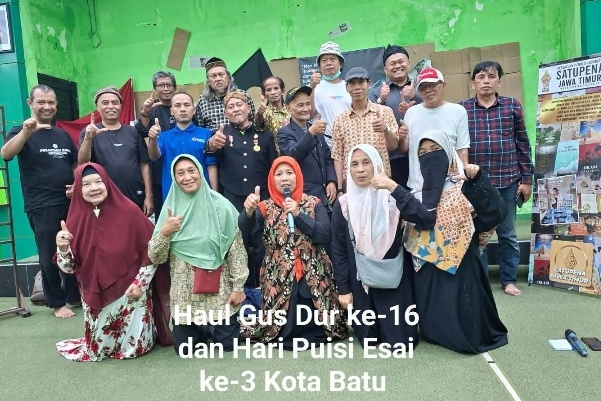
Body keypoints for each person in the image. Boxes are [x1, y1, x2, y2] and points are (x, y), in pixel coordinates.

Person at [403, 130, 508, 354]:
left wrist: (478, 181)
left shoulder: (464, 186)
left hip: (461, 266)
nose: (429, 156)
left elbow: (495, 213)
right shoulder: (417, 194)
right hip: (427, 270)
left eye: (436, 150)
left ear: (449, 153)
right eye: (423, 153)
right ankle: (434, 331)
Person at [54, 162, 170, 361]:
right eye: (86, 184)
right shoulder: (74, 220)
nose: (94, 188)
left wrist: (139, 284)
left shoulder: (130, 211)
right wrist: (62, 248)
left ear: (107, 183)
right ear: (78, 189)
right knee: (98, 349)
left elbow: (151, 254)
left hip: (131, 292)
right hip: (94, 293)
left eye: (99, 182)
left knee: (134, 350)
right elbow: (70, 268)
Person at [239, 156, 347, 348]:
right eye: (279, 174)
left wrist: (298, 214)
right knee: (280, 328)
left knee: (321, 324)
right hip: (278, 275)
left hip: (315, 274)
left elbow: (324, 234)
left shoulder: (314, 202)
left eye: (289, 172)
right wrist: (247, 212)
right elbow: (244, 231)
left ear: (298, 176)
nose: (284, 178)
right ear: (272, 179)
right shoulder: (264, 207)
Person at [148, 154, 248, 353]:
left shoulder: (221, 207)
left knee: (228, 345)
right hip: (185, 295)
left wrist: (238, 288)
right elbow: (155, 257)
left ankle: (214, 328)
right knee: (185, 349)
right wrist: (165, 232)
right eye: (180, 173)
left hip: (220, 291)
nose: (187, 177)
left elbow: (236, 251)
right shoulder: (171, 211)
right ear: (174, 178)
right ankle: (201, 330)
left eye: (191, 171)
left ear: (201, 172)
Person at [1, 85, 80, 318]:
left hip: (70, 203)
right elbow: (6, 154)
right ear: (30, 103)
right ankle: (57, 302)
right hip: (41, 204)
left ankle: (74, 296)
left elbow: (75, 164)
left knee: (73, 248)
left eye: (51, 102)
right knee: (48, 254)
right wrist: (27, 132)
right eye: (41, 102)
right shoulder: (20, 130)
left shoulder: (62, 134)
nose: (47, 107)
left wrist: (77, 185)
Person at [330, 144, 417, 348]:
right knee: (369, 339)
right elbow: (338, 251)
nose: (360, 169)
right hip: (361, 282)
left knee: (401, 342)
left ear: (377, 165)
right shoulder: (343, 205)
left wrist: (394, 188)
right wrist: (344, 289)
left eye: (366, 162)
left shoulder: (393, 199)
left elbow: (421, 216)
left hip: (393, 279)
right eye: (354, 164)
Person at [459, 61, 534, 296]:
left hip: (507, 180)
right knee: (477, 235)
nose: (486, 81)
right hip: (477, 185)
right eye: (481, 77)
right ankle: (481, 282)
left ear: (499, 81)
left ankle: (509, 280)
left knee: (508, 234)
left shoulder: (512, 106)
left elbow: (523, 144)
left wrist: (527, 180)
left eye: (491, 76)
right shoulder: (462, 109)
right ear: (473, 83)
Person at [78, 86, 154, 216]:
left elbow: (144, 165)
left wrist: (149, 196)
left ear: (120, 106)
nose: (110, 106)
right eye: (105, 103)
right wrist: (88, 139)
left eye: (114, 102)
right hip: (103, 197)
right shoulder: (90, 132)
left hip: (134, 195)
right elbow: (83, 162)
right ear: (98, 107)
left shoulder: (133, 132)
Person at [330, 67, 401, 189]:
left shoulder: (384, 112)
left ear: (369, 84)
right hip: (353, 184)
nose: (357, 87)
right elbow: (338, 156)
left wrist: (385, 130)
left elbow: (394, 146)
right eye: (352, 83)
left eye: (361, 82)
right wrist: (340, 188)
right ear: (347, 88)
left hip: (381, 181)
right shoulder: (340, 120)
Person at [402, 67, 469, 193]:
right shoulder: (411, 113)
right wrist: (401, 137)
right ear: (419, 92)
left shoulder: (458, 111)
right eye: (423, 87)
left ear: (443, 85)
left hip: (451, 183)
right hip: (419, 185)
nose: (428, 90)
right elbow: (404, 148)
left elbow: (462, 148)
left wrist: (464, 174)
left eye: (432, 85)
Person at [368, 45, 423, 189]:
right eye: (392, 63)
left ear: (408, 64)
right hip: (391, 158)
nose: (397, 66)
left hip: (420, 153)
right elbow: (368, 119)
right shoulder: (376, 92)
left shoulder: (422, 87)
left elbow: (433, 108)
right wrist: (381, 100)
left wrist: (415, 96)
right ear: (385, 69)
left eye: (401, 62)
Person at [147, 92, 218, 200]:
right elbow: (154, 156)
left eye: (187, 105)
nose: (183, 109)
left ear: (194, 110)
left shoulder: (206, 134)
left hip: (202, 195)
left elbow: (211, 166)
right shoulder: (164, 136)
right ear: (171, 111)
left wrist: (215, 196)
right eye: (177, 105)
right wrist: (153, 139)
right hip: (173, 196)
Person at [277, 86, 337, 204]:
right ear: (288, 109)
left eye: (308, 104)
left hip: (325, 195)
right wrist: (311, 133)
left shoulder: (315, 128)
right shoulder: (284, 132)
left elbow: (327, 158)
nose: (306, 109)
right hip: (303, 197)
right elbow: (293, 155)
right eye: (300, 105)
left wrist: (331, 181)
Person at [136, 71, 179, 218]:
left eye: (169, 85)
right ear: (154, 89)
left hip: (183, 165)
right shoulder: (151, 109)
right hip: (159, 171)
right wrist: (145, 113)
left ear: (175, 88)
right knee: (164, 215)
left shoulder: (183, 106)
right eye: (161, 85)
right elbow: (142, 132)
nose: (166, 88)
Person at [310, 41, 351, 148]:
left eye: (332, 59)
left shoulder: (349, 86)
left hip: (350, 141)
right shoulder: (314, 88)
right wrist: (312, 87)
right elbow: (309, 114)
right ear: (319, 66)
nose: (328, 63)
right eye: (324, 60)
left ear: (340, 63)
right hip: (325, 144)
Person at [196, 57, 256, 130]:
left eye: (221, 74)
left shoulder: (243, 95)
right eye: (213, 76)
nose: (218, 79)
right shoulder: (202, 101)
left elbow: (253, 123)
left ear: (228, 78)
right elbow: (200, 130)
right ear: (208, 81)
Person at [255, 76, 291, 150]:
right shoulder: (264, 112)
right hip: (275, 155)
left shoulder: (291, 110)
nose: (273, 92)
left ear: (282, 90)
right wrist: (259, 114)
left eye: (276, 88)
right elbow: (258, 123)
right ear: (264, 94)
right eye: (269, 90)